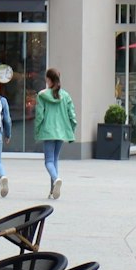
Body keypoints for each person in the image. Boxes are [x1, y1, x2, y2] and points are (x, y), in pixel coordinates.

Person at [35, 68, 77, 200]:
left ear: (48, 80)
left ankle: (56, 179)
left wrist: (37, 129)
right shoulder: (65, 96)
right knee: (54, 160)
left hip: (48, 132)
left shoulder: (42, 95)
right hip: (61, 132)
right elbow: (72, 116)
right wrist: (71, 129)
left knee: (48, 162)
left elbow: (39, 115)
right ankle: (53, 190)